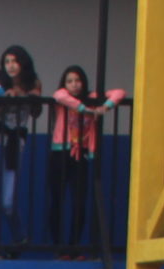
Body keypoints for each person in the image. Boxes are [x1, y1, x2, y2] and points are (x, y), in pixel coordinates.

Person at [49, 67, 125, 255]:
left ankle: (74, 246)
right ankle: (59, 247)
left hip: (80, 154)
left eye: (78, 80)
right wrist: (85, 109)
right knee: (57, 200)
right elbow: (58, 95)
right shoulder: (64, 97)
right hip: (60, 152)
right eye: (70, 81)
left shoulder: (93, 97)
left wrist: (103, 107)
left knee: (79, 201)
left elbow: (119, 93)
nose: (74, 85)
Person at [0, 46, 45, 247]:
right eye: (7, 62)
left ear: (23, 63)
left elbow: (36, 112)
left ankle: (19, 237)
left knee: (8, 201)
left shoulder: (33, 83)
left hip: (16, 142)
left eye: (14, 61)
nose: (10, 66)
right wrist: (2, 103)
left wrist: (26, 95)